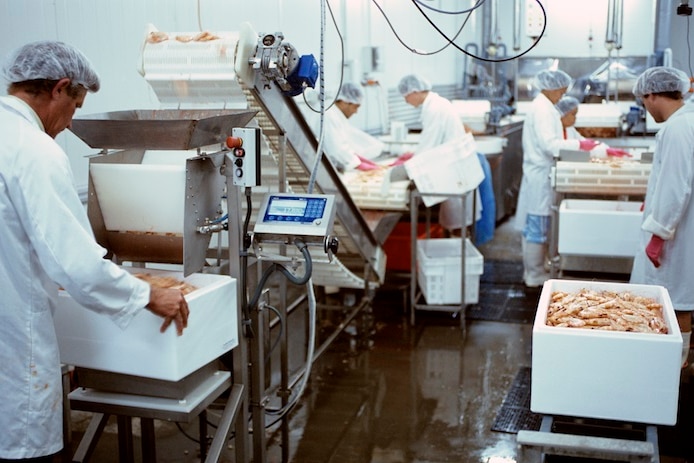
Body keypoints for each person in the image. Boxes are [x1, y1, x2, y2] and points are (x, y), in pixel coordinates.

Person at [0, 41, 190, 462]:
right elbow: (77, 266)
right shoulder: (34, 151)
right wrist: (148, 294)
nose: (70, 124)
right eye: (76, 106)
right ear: (59, 88)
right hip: (15, 351)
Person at [628, 66, 694, 367]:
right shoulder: (686, 121)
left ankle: (671, 372)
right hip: (679, 227)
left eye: (643, 101)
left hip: (676, 235)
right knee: (676, 301)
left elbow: (675, 187)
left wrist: (658, 232)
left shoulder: (676, 128)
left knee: (674, 303)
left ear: (652, 95)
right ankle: (675, 365)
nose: (645, 108)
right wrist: (651, 203)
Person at [515, 69, 599, 288]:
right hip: (541, 175)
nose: (562, 95)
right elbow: (549, 144)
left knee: (536, 225)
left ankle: (533, 270)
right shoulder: (543, 109)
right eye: (561, 91)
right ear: (551, 87)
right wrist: (579, 145)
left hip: (540, 174)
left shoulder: (544, 106)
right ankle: (534, 275)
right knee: (537, 226)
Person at [398, 73, 484, 234]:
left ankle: (458, 254)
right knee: (458, 220)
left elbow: (429, 144)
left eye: (406, 97)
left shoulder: (434, 108)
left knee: (459, 222)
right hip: (453, 169)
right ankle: (457, 249)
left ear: (414, 91)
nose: (406, 101)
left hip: (454, 172)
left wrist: (407, 169)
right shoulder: (436, 104)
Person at [321, 82, 386, 171]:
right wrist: (360, 165)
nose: (356, 112)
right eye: (356, 107)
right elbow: (338, 151)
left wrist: (361, 160)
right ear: (344, 102)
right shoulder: (329, 116)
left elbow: (346, 146)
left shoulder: (337, 116)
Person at [555, 95, 631, 157]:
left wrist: (606, 150)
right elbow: (557, 148)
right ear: (562, 114)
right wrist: (579, 144)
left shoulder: (570, 130)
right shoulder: (554, 129)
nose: (575, 118)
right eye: (573, 114)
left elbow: (586, 145)